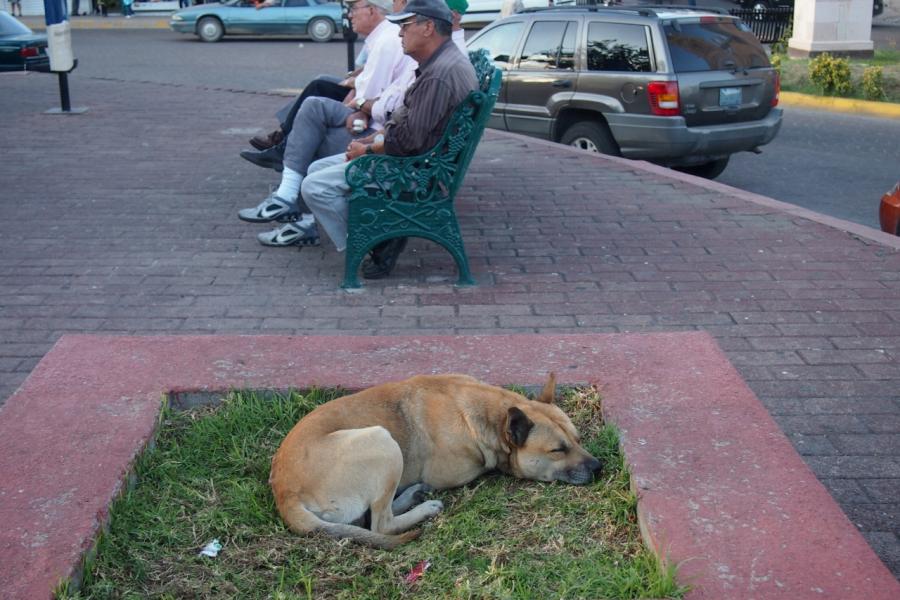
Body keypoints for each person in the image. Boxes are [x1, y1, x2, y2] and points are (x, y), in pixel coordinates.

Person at [299, 0, 478, 279]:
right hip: (425, 161)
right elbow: (409, 128)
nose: (399, 34)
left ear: (428, 27)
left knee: (313, 187)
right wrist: (373, 140)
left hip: (416, 171)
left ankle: (373, 241)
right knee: (315, 170)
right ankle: (380, 236)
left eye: (405, 26)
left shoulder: (439, 74)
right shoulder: (442, 61)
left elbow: (408, 142)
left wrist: (369, 148)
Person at [237, 0, 415, 248]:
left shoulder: (391, 44)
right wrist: (361, 102)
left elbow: (382, 105)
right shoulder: (403, 47)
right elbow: (378, 96)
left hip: (381, 138)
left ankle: (294, 203)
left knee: (311, 122)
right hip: (378, 129)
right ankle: (294, 200)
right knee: (311, 117)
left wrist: (361, 109)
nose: (349, 14)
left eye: (354, 8)